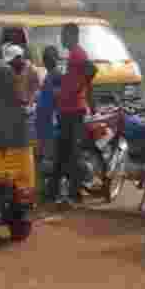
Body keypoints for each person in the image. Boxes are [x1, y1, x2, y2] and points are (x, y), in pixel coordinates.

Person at [51, 23, 96, 205]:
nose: (62, 39)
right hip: (67, 109)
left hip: (74, 110)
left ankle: (74, 192)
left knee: (72, 153)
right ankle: (56, 191)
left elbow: (91, 71)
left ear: (72, 36)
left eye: (64, 35)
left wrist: (75, 91)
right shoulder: (73, 54)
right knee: (63, 151)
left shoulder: (78, 54)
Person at [34, 45, 62, 184]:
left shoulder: (56, 75)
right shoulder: (50, 75)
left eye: (49, 58)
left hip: (50, 122)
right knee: (44, 155)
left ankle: (51, 185)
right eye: (46, 58)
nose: (47, 61)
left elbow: (57, 98)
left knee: (49, 157)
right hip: (44, 122)